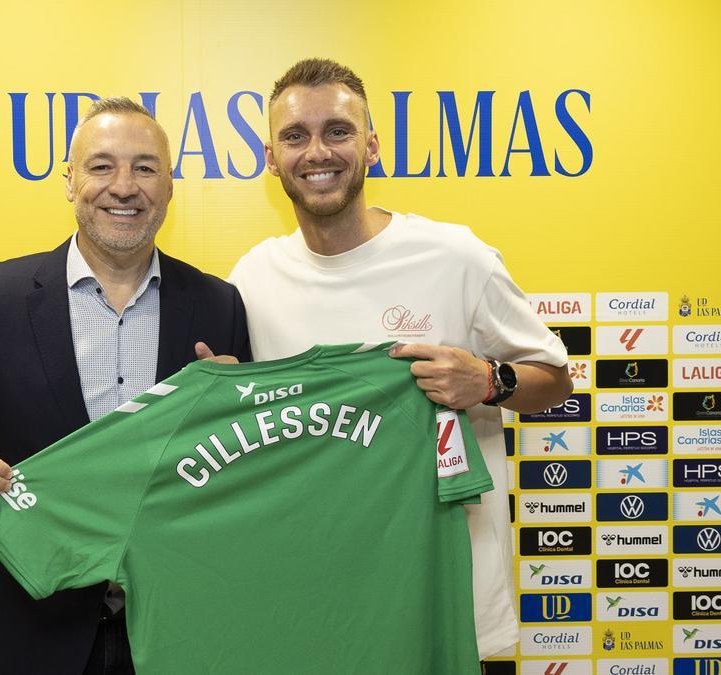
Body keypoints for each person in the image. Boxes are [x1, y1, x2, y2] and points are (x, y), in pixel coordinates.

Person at [227, 58, 573, 660]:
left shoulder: (457, 256)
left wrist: (489, 380)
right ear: (270, 157)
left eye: (337, 131)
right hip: (317, 607)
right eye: (295, 136)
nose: (318, 152)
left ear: (372, 145)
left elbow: (555, 381)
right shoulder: (253, 277)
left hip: (450, 606)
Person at [0, 97, 251, 674]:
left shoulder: (218, 304)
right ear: (69, 181)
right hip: (35, 626)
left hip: (180, 627)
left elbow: (243, 472)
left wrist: (237, 419)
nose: (124, 186)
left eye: (145, 167)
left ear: (169, 186)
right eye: (101, 166)